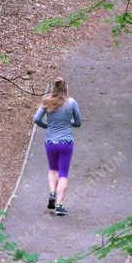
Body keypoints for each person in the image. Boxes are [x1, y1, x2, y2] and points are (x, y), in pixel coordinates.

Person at [32, 77, 82, 215]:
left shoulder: (46, 101)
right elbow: (78, 122)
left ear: (53, 88)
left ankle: (52, 192)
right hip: (66, 142)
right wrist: (69, 123)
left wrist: (47, 126)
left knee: (53, 169)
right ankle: (59, 205)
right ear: (66, 88)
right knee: (63, 174)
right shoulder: (71, 102)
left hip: (50, 142)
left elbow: (36, 119)